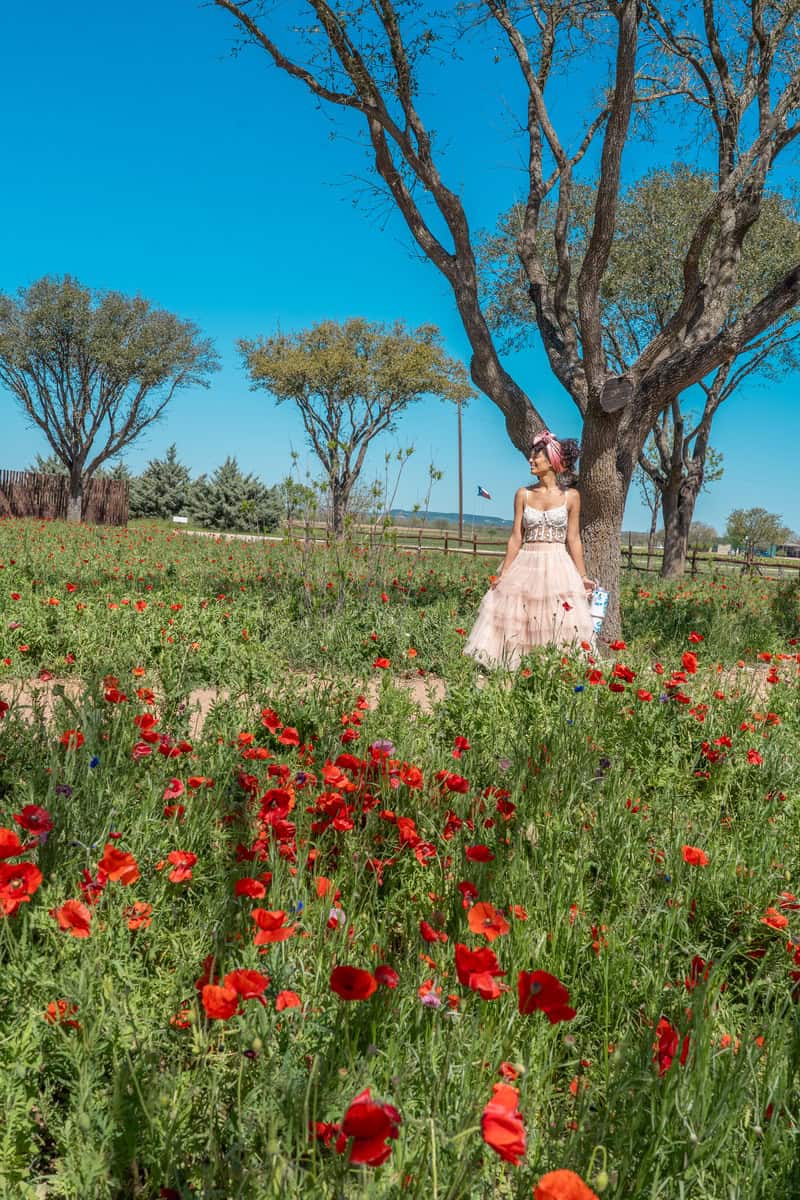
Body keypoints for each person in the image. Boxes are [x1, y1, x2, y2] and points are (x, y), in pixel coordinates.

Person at [463, 430, 595, 669]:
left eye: (537, 456)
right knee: (521, 617)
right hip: (526, 561)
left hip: (558, 564)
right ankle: (517, 668)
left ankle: (552, 668)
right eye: (531, 456)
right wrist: (504, 572)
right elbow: (516, 536)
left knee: (555, 618)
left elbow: (573, 539)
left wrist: (583, 576)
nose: (531, 460)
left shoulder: (571, 497)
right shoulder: (523, 494)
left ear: (553, 462)